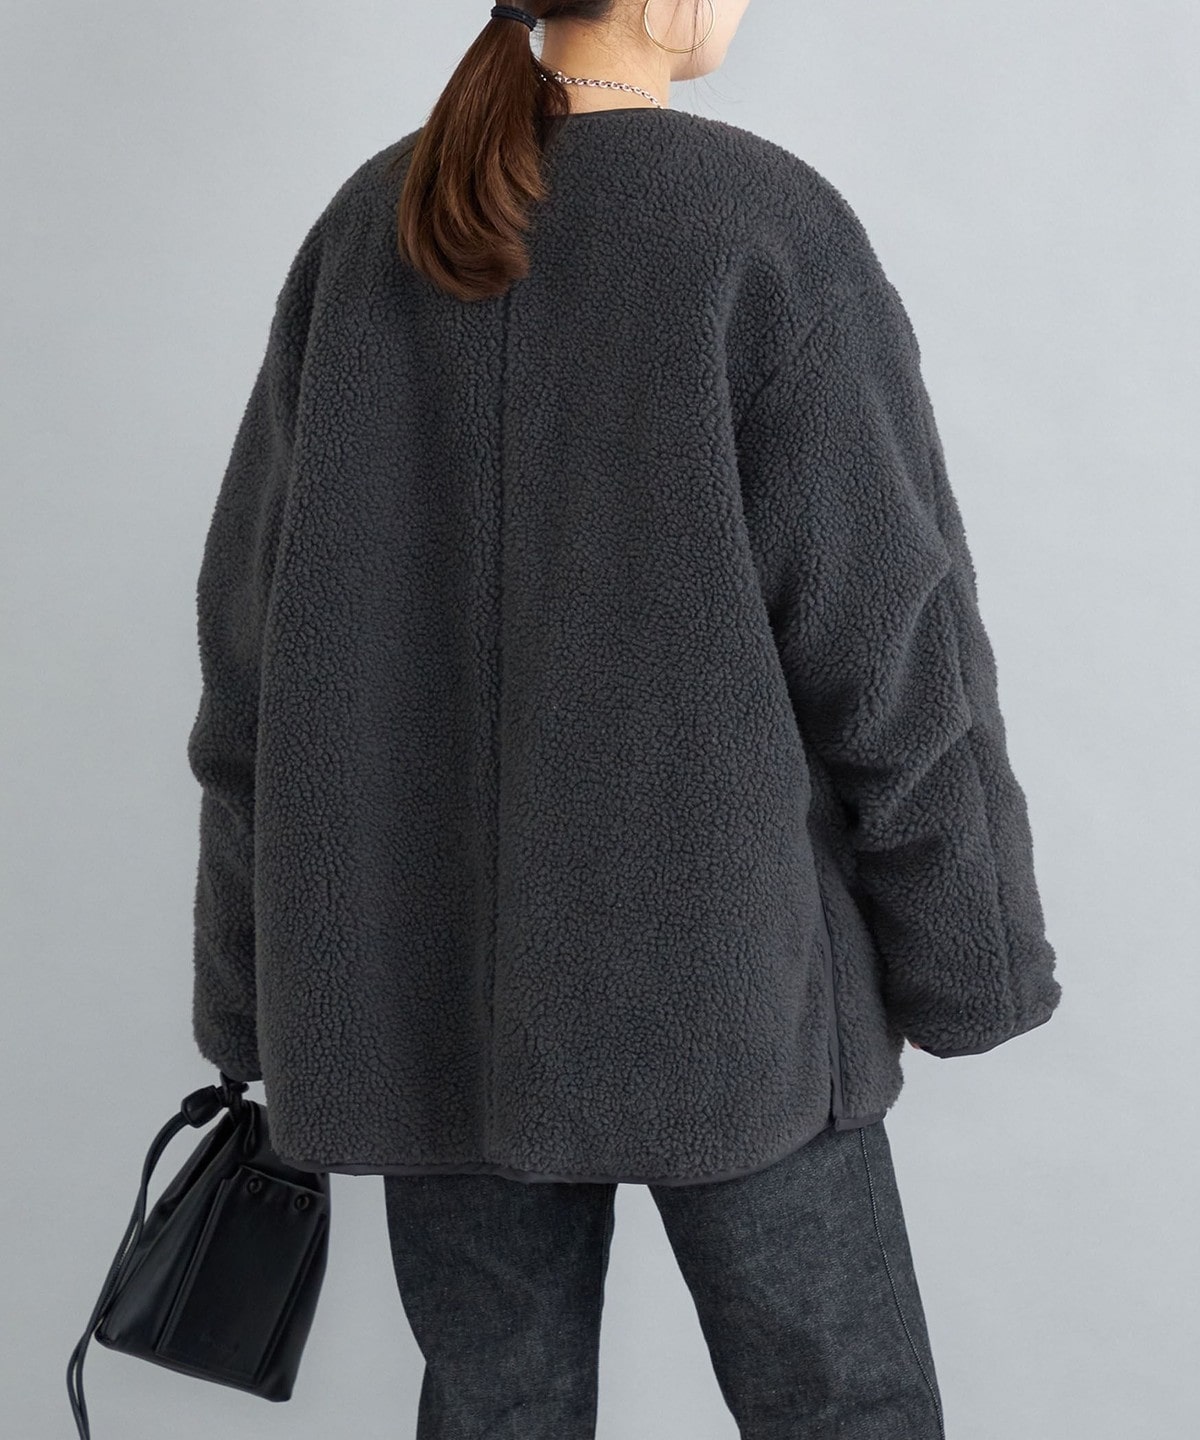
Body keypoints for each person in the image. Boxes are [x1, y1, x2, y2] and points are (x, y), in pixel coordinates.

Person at [185, 2, 1063, 1435]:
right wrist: (972, 958)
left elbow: (250, 666)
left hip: (426, 993)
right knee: (845, 1411)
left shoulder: (372, 227)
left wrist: (253, 988)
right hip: (730, 985)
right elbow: (897, 646)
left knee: (498, 1415)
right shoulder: (759, 225)